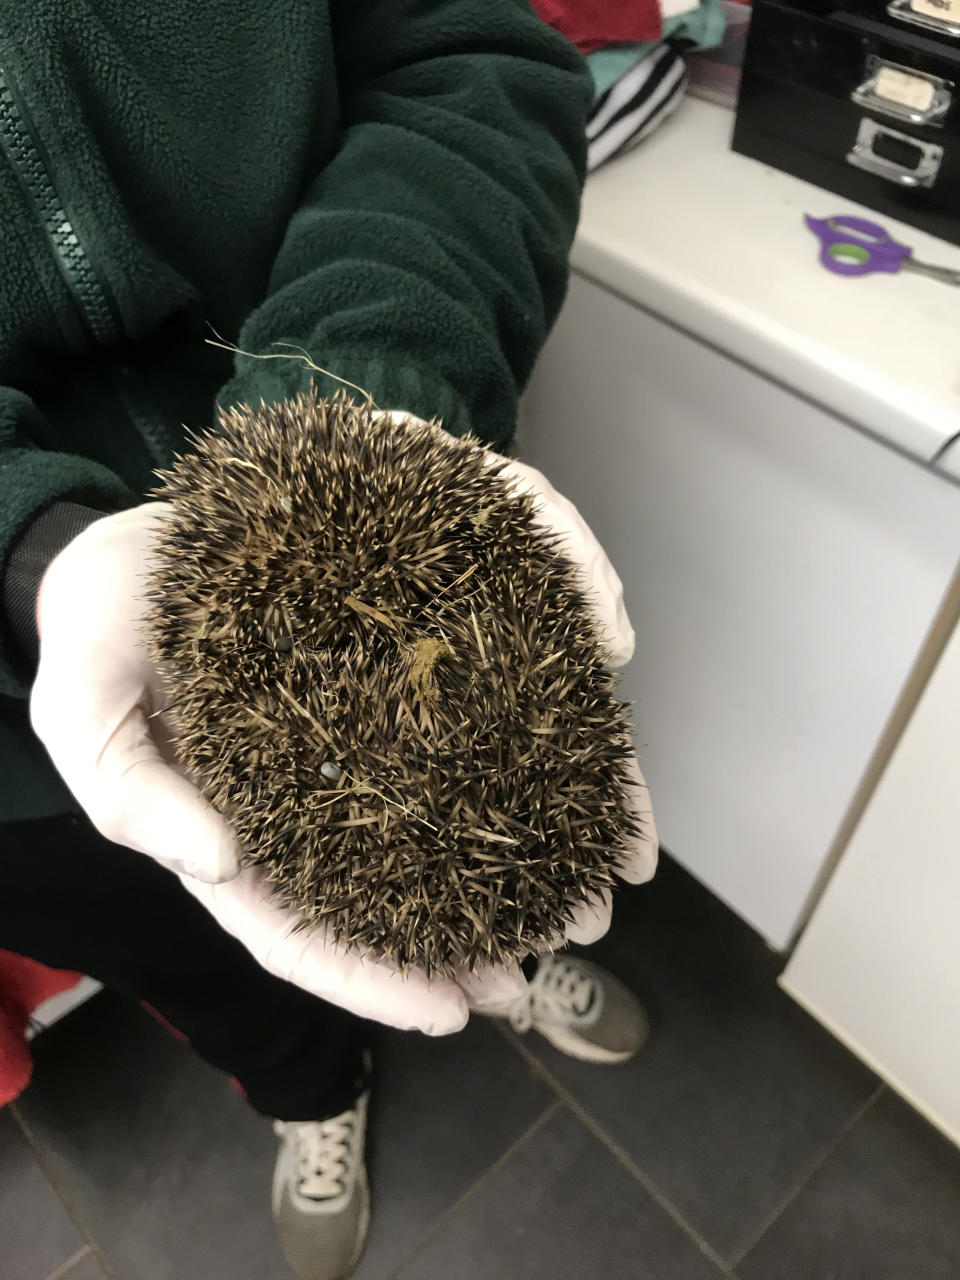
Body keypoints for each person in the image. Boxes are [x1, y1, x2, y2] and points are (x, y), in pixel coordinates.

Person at [0, 3, 657, 1278]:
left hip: (379, 499)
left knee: (497, 830)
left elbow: (469, 54)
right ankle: (314, 1096)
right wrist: (27, 547)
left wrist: (355, 402)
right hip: (16, 757)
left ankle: (518, 957)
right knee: (214, 962)